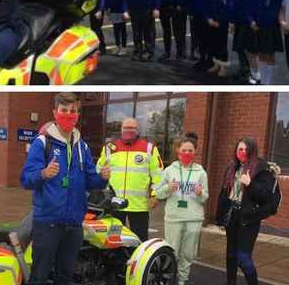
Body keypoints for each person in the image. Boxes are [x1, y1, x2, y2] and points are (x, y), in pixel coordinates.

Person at [20, 93, 110, 285]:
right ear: (55, 112)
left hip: (74, 225)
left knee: (65, 277)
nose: (69, 115)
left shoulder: (82, 147)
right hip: (48, 223)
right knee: (39, 276)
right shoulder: (42, 143)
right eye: (64, 110)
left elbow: (91, 181)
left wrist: (102, 178)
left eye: (74, 111)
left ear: (78, 114)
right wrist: (43, 174)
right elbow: (26, 180)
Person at [215, 138, 273, 285]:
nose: (242, 152)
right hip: (232, 216)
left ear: (252, 151)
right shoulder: (232, 167)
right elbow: (224, 193)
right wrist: (220, 218)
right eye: (240, 149)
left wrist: (250, 184)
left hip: (249, 219)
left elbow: (265, 195)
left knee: (243, 258)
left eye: (246, 150)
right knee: (231, 255)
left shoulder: (261, 168)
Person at [96, 117, 163, 241]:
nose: (129, 131)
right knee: (113, 238)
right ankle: (115, 260)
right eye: (126, 128)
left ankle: (136, 261)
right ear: (121, 130)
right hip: (115, 205)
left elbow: (158, 175)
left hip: (139, 206)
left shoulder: (149, 148)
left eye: (132, 128)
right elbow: (98, 170)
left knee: (139, 240)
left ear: (137, 130)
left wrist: (155, 195)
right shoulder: (110, 148)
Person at [155, 133, 209, 285]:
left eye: (190, 150)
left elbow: (205, 197)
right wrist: (168, 188)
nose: (187, 153)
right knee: (172, 251)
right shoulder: (169, 170)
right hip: (174, 217)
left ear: (194, 152)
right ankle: (169, 278)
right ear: (178, 152)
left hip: (194, 218)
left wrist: (200, 193)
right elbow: (158, 193)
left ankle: (182, 281)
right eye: (184, 150)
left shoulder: (201, 172)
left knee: (188, 253)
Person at [247, 0, 283, 85]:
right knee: (261, 55)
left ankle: (268, 82)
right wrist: (251, 21)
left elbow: (274, 11)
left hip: (269, 28)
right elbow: (249, 8)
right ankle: (263, 81)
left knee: (269, 56)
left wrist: (261, 24)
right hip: (256, 27)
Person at [231, 0, 259, 83]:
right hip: (240, 20)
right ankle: (244, 69)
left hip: (250, 23)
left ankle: (252, 73)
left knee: (251, 50)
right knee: (240, 47)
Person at [205, 0, 233, 77]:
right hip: (211, 22)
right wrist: (209, 19)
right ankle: (216, 64)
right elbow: (206, 7)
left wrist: (227, 22)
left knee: (222, 46)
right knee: (213, 44)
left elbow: (230, 9)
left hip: (222, 23)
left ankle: (223, 67)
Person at [189, 0, 213, 68]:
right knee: (199, 39)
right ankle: (202, 58)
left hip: (208, 18)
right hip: (196, 17)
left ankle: (210, 60)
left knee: (209, 39)